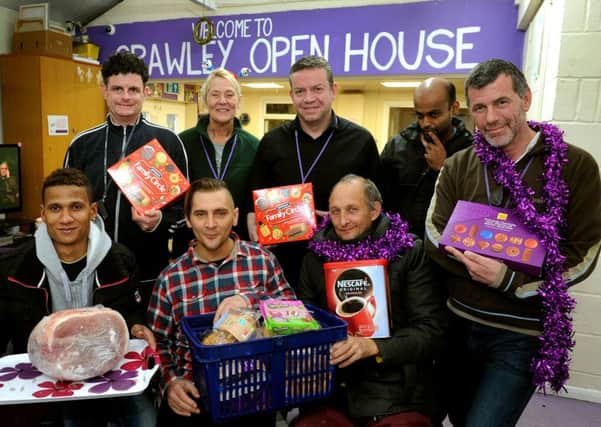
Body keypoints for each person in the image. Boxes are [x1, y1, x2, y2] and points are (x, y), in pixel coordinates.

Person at [424, 59, 601, 426]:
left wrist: (510, 281)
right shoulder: (459, 164)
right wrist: (475, 268)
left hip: (519, 333)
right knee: (454, 418)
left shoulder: (576, 166)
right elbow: (434, 235)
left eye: (501, 102)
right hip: (457, 323)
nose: (490, 118)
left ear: (525, 99)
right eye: (480, 107)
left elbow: (582, 253)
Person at [0, 168, 157, 426]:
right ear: (42, 213)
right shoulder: (15, 268)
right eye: (55, 208)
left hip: (107, 367)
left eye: (76, 207)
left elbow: (130, 311)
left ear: (92, 211)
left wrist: (138, 327)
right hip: (46, 374)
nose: (65, 219)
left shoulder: (120, 259)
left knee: (146, 419)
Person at [294, 174, 447, 427]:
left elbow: (432, 331)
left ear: (375, 210)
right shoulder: (315, 257)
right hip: (333, 387)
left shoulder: (409, 251)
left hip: (395, 391)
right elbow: (305, 321)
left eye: (352, 210)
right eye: (335, 211)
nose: (343, 221)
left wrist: (374, 347)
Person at [147, 177, 295, 426]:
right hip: (193, 402)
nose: (211, 224)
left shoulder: (263, 261)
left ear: (235, 216)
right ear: (189, 219)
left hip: (254, 397)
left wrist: (250, 299)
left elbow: (293, 313)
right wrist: (170, 382)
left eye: (221, 213)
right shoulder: (170, 277)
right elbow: (156, 343)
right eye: (201, 214)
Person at [64, 50, 189, 301]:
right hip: (91, 270)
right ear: (104, 90)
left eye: (133, 89)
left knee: (147, 337)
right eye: (117, 88)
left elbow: (186, 210)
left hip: (149, 270)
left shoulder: (167, 142)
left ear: (145, 91)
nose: (125, 97)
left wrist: (159, 221)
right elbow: (65, 200)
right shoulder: (82, 144)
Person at [248, 55, 380, 289]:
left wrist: (339, 218)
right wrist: (257, 232)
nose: (309, 99)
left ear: (333, 90)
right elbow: (253, 204)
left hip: (342, 264)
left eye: (317, 89)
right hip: (282, 268)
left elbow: (377, 210)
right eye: (300, 91)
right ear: (291, 95)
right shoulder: (271, 142)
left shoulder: (361, 141)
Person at [174, 68, 259, 253]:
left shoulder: (254, 147)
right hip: (191, 247)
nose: (222, 101)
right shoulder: (181, 143)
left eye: (229, 95)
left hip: (240, 248)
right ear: (205, 100)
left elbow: (256, 199)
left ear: (238, 101)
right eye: (215, 94)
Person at [379, 78, 472, 239]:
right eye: (420, 116)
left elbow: (473, 207)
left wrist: (444, 169)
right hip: (401, 249)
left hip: (449, 249)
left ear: (454, 108)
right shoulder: (397, 147)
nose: (426, 123)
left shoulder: (472, 151)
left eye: (434, 114)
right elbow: (380, 202)